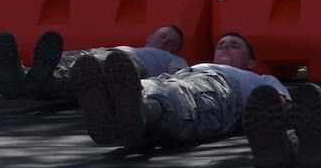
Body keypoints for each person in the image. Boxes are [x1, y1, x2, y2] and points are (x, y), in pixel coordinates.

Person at [71, 31, 285, 149]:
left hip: (222, 89)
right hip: (179, 80)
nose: (225, 47)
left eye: (234, 45)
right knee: (152, 86)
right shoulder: (197, 65)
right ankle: (117, 113)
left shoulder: (262, 78)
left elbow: (280, 103)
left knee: (182, 98)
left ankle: (138, 111)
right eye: (220, 45)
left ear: (250, 64)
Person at [0, 25, 187, 103]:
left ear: (175, 50)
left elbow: (174, 77)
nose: (164, 42)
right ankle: (26, 78)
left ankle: (41, 82)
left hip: (128, 64)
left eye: (171, 43)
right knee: (68, 58)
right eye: (162, 36)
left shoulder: (172, 58)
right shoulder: (132, 45)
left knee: (93, 68)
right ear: (149, 36)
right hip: (104, 51)